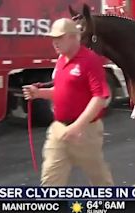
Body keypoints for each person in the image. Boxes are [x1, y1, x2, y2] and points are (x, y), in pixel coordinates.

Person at [23, 18, 114, 186]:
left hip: (86, 132)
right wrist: (39, 93)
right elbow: (62, 92)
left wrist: (77, 126)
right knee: (50, 179)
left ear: (73, 37)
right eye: (53, 38)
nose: (54, 42)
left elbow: (100, 97)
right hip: (59, 129)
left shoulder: (90, 60)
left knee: (99, 179)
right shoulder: (60, 60)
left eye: (59, 38)